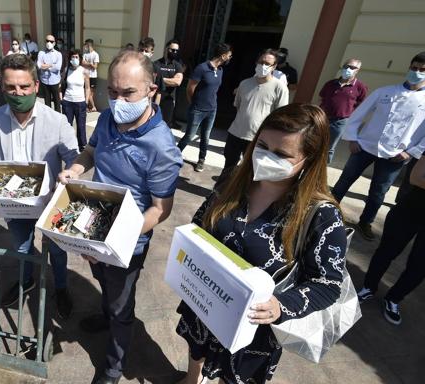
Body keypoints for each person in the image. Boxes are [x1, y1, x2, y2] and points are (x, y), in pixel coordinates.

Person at [177, 103, 347, 384]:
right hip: (206, 301)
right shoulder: (233, 179)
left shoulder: (320, 214)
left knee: (234, 375)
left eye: (281, 154)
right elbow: (199, 226)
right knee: (197, 349)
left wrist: (281, 306)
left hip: (254, 325)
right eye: (263, 145)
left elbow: (328, 284)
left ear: (309, 159)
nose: (266, 157)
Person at [58, 50, 183, 384]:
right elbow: (91, 151)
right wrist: (74, 169)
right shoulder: (108, 119)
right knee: (104, 285)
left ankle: (114, 367)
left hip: (126, 241)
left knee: (121, 306)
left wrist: (117, 239)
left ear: (151, 90)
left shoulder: (161, 147)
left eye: (128, 93)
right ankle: (106, 313)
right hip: (95, 224)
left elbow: (160, 209)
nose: (118, 101)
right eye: (112, 92)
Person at [0, 54, 79, 318]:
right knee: (22, 248)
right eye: (11, 87)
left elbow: (73, 155)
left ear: (36, 85)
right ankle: (26, 281)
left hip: (49, 203)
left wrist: (70, 171)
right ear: (2, 88)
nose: (18, 92)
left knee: (57, 251)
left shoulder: (56, 121)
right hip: (13, 203)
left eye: (24, 86)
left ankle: (61, 287)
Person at [332, 51, 425, 241]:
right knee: (345, 180)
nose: (417, 72)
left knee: (378, 192)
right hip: (364, 147)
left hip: (395, 155)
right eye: (414, 68)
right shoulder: (385, 91)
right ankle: (327, 209)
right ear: (409, 68)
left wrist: (410, 152)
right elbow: (358, 115)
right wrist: (352, 138)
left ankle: (366, 221)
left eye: (422, 70)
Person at [357, 155, 425, 325]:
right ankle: (368, 287)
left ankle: (394, 299)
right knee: (388, 249)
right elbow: (416, 177)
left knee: (420, 266)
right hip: (412, 208)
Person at [221, 49, 289, 175]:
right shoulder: (245, 84)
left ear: (274, 66)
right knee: (228, 167)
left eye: (267, 63)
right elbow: (238, 106)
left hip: (258, 138)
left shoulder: (280, 88)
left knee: (249, 172)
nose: (263, 65)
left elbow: (280, 116)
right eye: (260, 62)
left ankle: (240, 194)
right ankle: (219, 191)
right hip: (236, 133)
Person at [177, 43, 232, 172]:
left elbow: (214, 90)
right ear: (223, 56)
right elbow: (190, 88)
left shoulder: (220, 70)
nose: (230, 58)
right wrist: (193, 103)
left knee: (205, 137)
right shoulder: (201, 68)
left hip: (212, 109)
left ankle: (201, 160)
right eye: (229, 55)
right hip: (197, 109)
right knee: (189, 136)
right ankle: (174, 155)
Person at [319, 58, 368, 162]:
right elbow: (322, 98)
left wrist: (351, 118)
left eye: (352, 67)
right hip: (323, 118)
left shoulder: (360, 87)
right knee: (316, 143)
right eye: (346, 66)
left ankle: (321, 171)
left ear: (357, 70)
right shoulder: (330, 84)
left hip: (340, 122)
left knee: (329, 148)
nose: (348, 69)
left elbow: (361, 105)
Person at [61, 49, 90, 151]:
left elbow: (87, 88)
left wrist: (86, 102)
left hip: (80, 102)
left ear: (80, 59)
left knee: (81, 126)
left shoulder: (84, 71)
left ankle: (82, 145)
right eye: (72, 57)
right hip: (67, 102)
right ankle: (67, 144)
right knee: (67, 125)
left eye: (76, 57)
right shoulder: (66, 70)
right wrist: (62, 98)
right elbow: (62, 84)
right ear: (69, 59)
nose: (74, 59)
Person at [154, 39, 184, 128]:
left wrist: (159, 80)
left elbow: (177, 82)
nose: (174, 52)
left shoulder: (177, 65)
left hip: (169, 100)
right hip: (155, 99)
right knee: (153, 123)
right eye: (172, 50)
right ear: (166, 49)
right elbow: (151, 80)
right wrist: (170, 81)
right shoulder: (156, 64)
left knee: (165, 126)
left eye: (176, 51)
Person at [37, 34, 63, 112]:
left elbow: (57, 68)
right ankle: (48, 118)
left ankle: (58, 118)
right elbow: (39, 66)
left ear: (54, 43)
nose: (49, 43)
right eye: (47, 41)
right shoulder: (41, 53)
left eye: (51, 41)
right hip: (45, 81)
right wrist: (51, 65)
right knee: (47, 103)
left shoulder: (58, 54)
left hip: (55, 81)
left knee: (57, 102)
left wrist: (45, 65)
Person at [82, 38, 100, 112]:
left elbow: (95, 66)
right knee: (87, 92)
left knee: (91, 94)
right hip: (86, 75)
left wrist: (87, 63)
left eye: (85, 45)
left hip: (93, 76)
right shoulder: (85, 54)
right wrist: (90, 64)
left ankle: (89, 107)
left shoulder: (95, 54)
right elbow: (82, 63)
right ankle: (93, 107)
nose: (84, 46)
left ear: (89, 45)